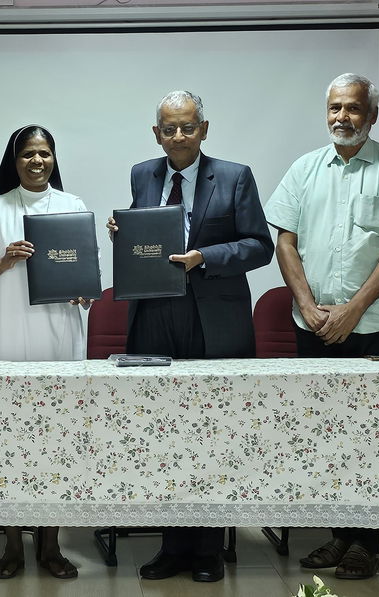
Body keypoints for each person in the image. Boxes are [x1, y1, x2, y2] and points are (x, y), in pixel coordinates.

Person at [265, 73, 379, 580]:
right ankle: (339, 538)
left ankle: (369, 544)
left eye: (354, 108)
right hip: (312, 323)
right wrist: (309, 305)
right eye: (335, 108)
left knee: (374, 435)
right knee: (324, 435)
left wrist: (355, 308)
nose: (343, 117)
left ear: (372, 115)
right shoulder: (303, 169)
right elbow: (285, 243)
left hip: (377, 324)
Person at [106, 90, 274, 583]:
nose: (177, 136)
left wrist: (206, 257)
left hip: (213, 317)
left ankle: (208, 550)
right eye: (168, 128)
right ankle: (171, 547)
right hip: (155, 312)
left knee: (213, 434)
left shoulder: (235, 175)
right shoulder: (143, 173)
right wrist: (125, 233)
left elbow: (258, 245)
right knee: (160, 433)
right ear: (156, 133)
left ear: (204, 128)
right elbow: (148, 238)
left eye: (187, 127)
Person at [0, 124, 92, 580]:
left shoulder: (72, 207)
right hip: (6, 330)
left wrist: (84, 294)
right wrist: (4, 261)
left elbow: (85, 275)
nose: (37, 162)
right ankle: (12, 545)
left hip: (58, 332)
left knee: (57, 442)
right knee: (6, 440)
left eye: (45, 153)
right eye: (28, 155)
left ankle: (51, 546)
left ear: (54, 158)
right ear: (13, 162)